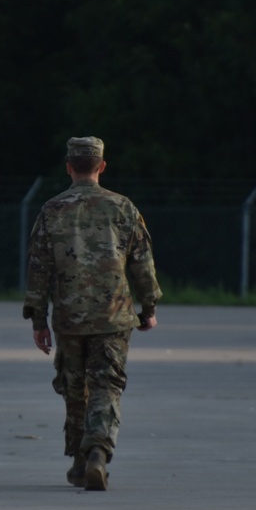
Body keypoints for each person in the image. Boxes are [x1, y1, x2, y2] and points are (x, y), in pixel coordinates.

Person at [23, 136, 162, 491]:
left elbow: (38, 268)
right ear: (102, 166)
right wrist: (149, 307)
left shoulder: (52, 209)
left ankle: (79, 459)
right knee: (106, 385)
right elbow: (142, 263)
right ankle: (98, 449)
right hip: (113, 315)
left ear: (69, 166)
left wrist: (38, 319)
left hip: (69, 316)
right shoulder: (122, 207)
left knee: (74, 387)